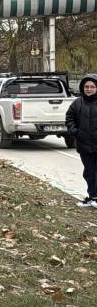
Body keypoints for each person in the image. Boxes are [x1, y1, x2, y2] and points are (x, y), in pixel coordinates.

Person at [66, 74, 97, 208]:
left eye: (92, 87)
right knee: (89, 172)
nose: (89, 89)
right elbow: (69, 118)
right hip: (84, 145)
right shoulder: (77, 103)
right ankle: (92, 197)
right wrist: (75, 132)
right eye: (86, 86)